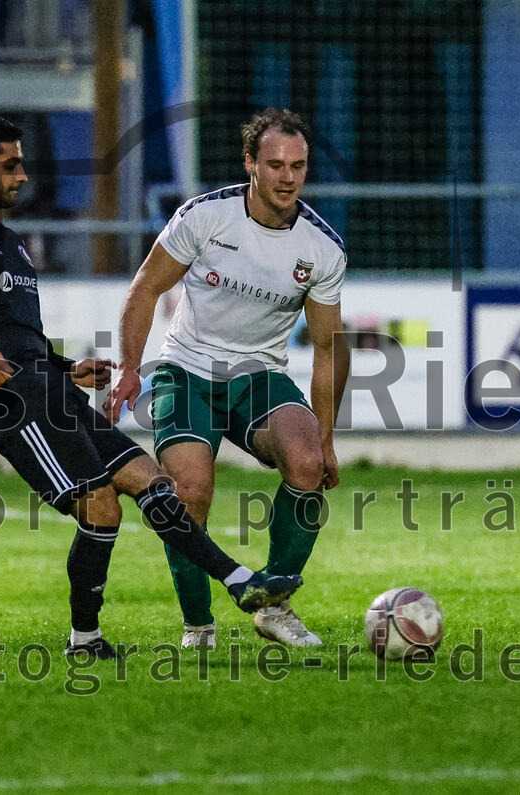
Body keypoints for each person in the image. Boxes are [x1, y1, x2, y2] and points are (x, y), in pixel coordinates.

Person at [0, 114, 302, 659]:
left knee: (152, 480)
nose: (23, 175)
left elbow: (18, 336)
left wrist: (65, 367)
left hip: (51, 389)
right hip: (16, 405)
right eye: (11, 164)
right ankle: (128, 624)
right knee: (101, 507)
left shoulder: (10, 242)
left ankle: (232, 583)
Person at [107, 108, 350, 649]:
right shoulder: (206, 217)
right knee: (188, 490)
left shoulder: (322, 248)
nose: (288, 177)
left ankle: (276, 606)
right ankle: (199, 625)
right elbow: (145, 288)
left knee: (307, 462)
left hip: (259, 373)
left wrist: (327, 438)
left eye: (299, 166)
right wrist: (128, 368)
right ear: (250, 165)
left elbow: (330, 347)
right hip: (185, 369)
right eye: (275, 164)